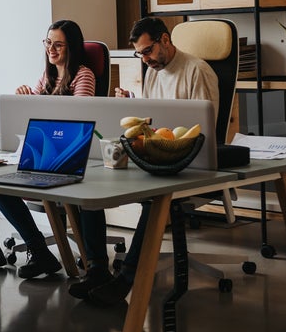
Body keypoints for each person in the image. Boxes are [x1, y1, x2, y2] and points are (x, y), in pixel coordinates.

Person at [83, 17, 220, 308]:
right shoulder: (153, 72)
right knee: (89, 187)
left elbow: (202, 132)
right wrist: (131, 104)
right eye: (139, 54)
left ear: (165, 40)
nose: (144, 60)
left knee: (155, 199)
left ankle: (127, 278)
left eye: (147, 51)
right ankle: (96, 268)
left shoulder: (197, 71)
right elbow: (155, 120)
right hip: (156, 157)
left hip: (188, 163)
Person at [0, 20, 110, 280]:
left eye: (58, 44)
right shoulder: (47, 76)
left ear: (72, 48)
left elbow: (78, 119)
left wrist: (38, 102)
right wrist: (23, 100)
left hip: (65, 153)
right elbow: (33, 117)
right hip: (43, 150)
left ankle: (37, 249)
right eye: (48, 42)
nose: (51, 49)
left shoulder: (84, 75)